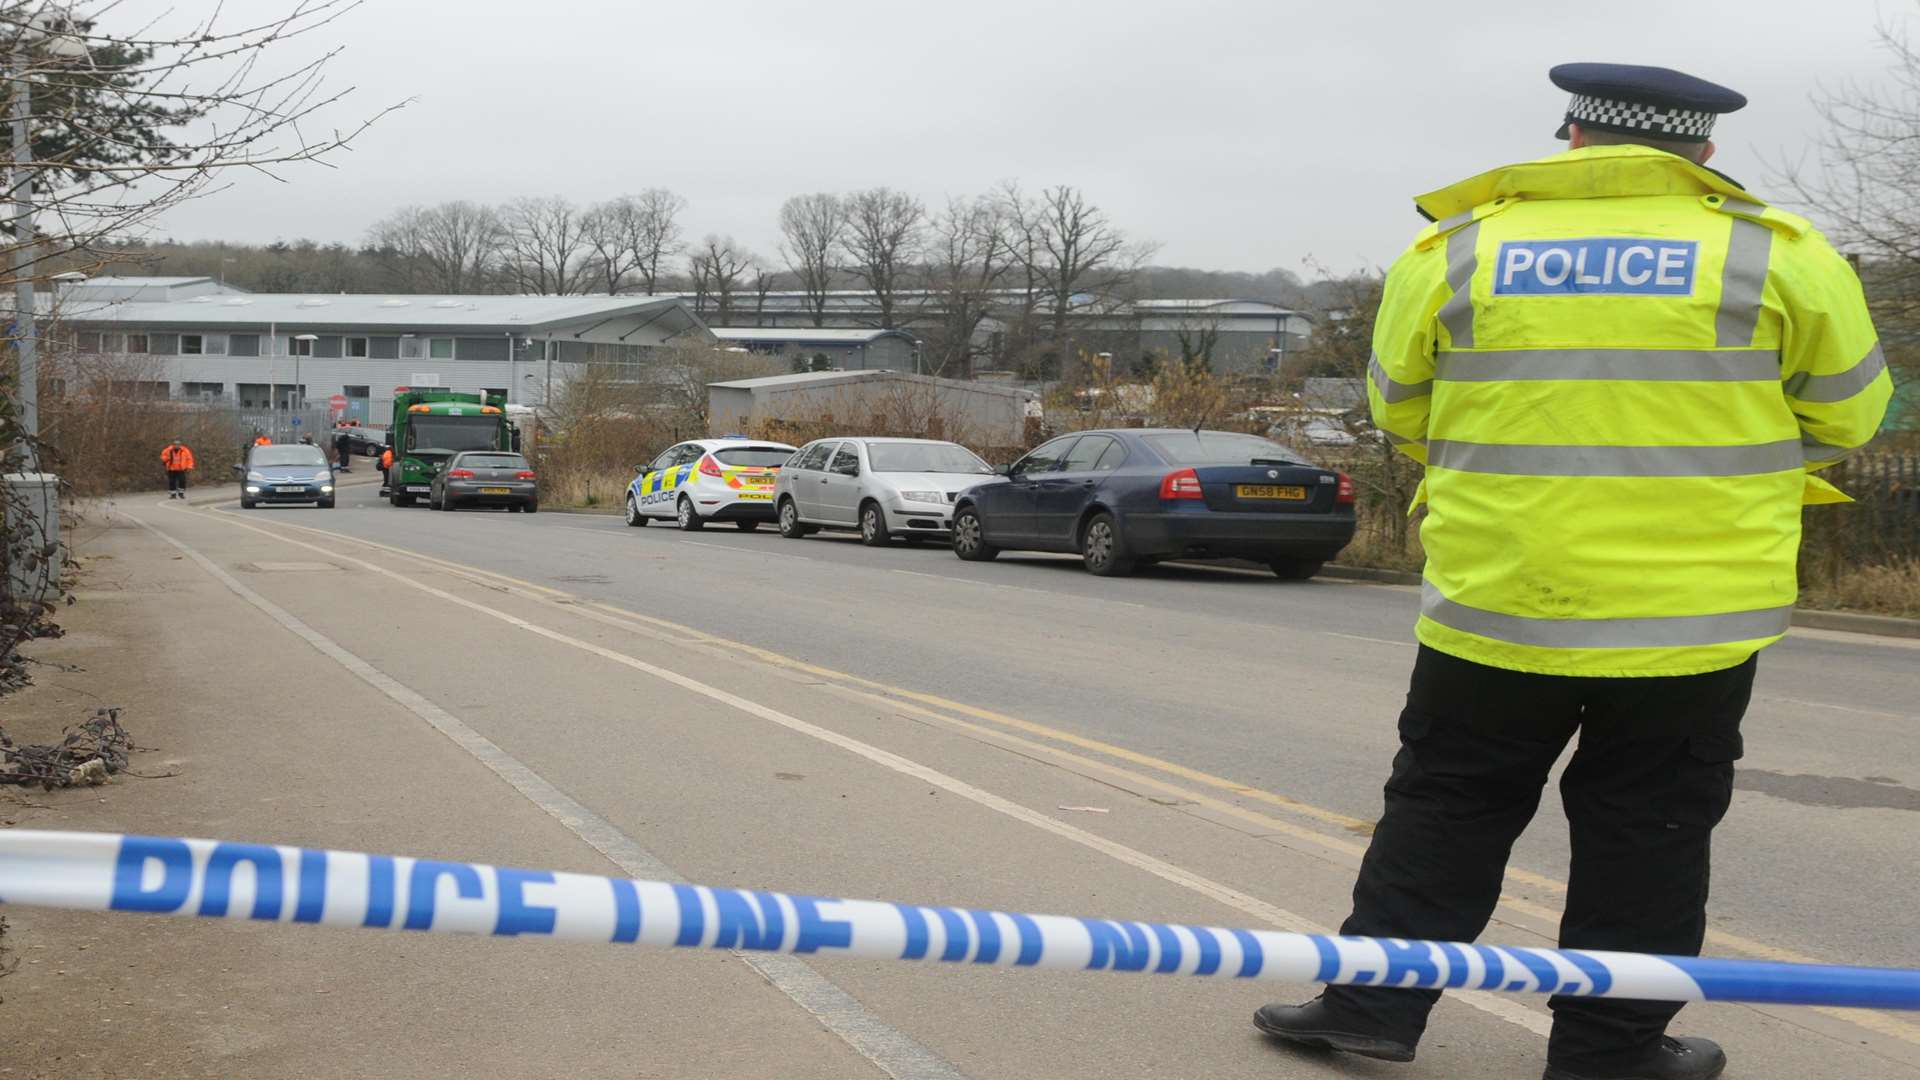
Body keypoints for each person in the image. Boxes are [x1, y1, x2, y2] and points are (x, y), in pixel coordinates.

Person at [1253, 63, 1892, 1080]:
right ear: (1705, 154)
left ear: (1572, 136)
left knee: (1446, 803)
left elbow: (1398, 409)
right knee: (1652, 832)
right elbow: (1851, 415)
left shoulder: (1456, 250)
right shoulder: (1778, 257)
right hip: (1694, 617)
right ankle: (1610, 1050)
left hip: (1498, 598)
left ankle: (1370, 1006)